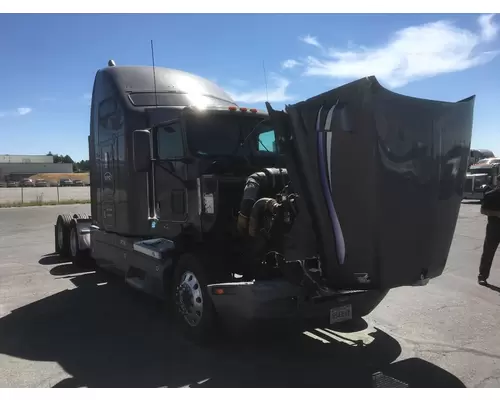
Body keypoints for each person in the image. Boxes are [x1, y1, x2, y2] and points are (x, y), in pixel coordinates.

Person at [478, 178, 500, 286]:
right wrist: (497, 214)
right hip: (494, 227)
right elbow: (483, 210)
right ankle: (482, 276)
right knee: (488, 252)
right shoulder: (491, 195)